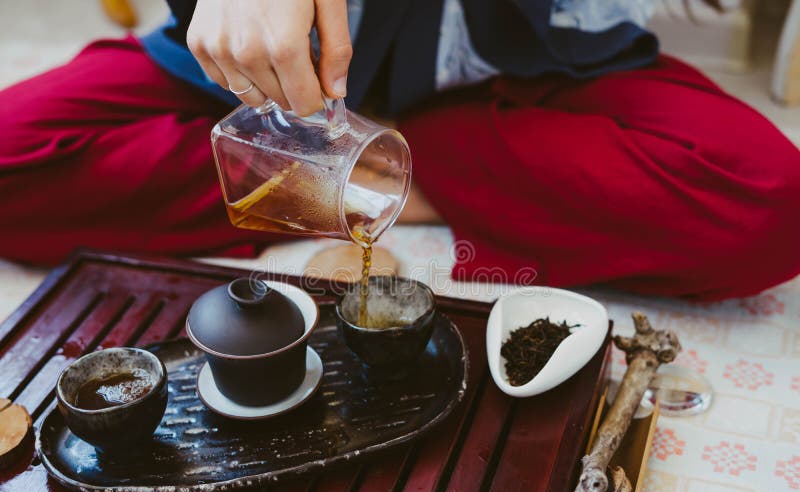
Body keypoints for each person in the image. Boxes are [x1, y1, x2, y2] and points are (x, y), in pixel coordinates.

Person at [0, 0, 798, 300]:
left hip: (504, 62)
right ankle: (362, 175)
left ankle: (373, 172)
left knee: (767, 203)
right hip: (270, 63)